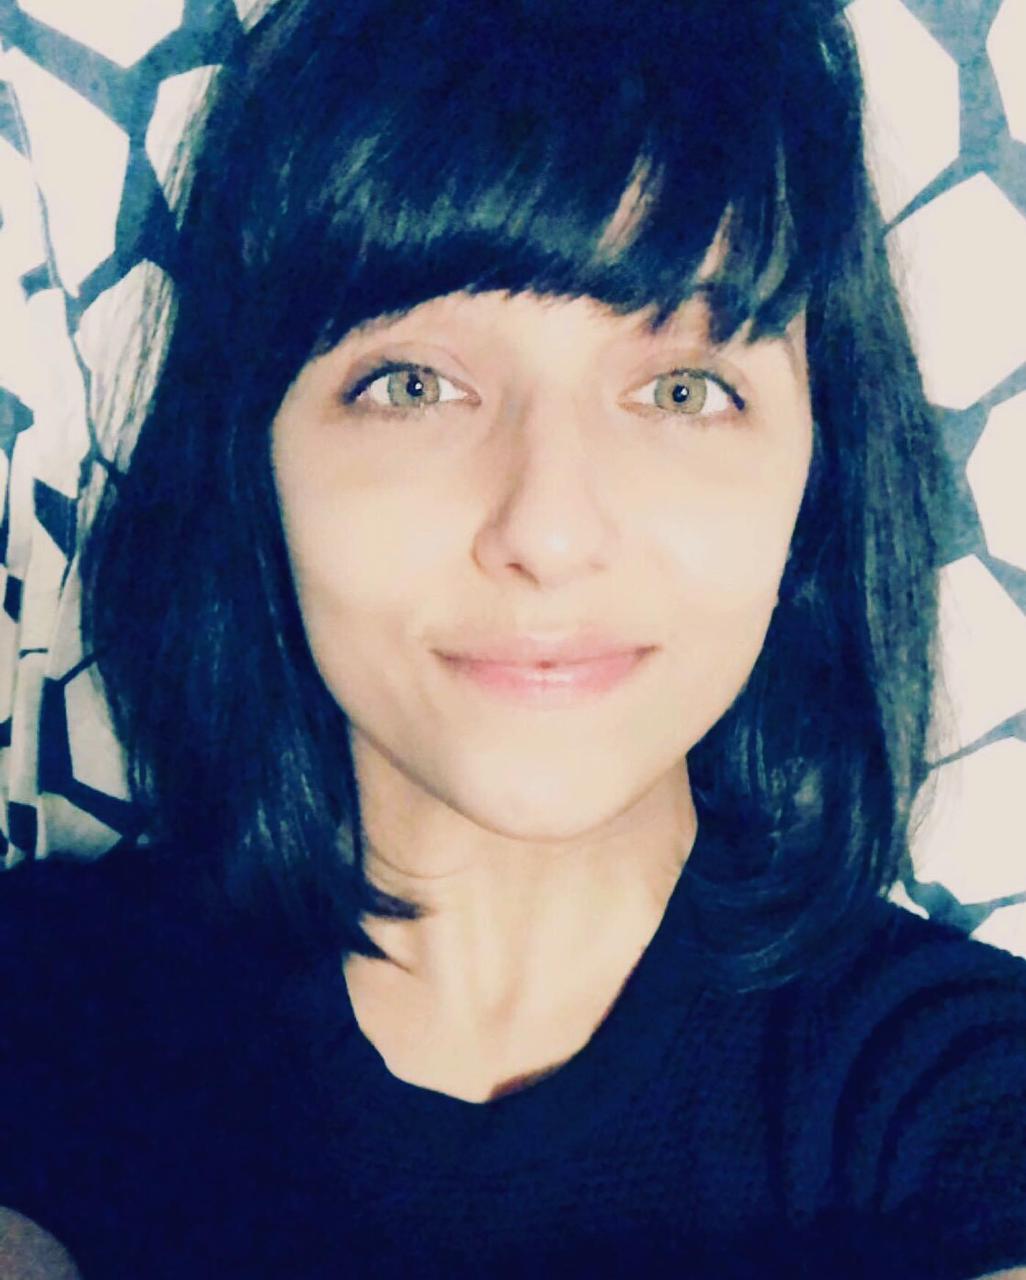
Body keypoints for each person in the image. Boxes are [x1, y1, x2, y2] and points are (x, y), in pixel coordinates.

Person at [0, 0, 1024, 1275]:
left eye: (684, 389)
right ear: (252, 456)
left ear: (817, 470)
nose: (548, 528)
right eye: (412, 384)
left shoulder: (953, 1098)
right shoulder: (44, 1017)